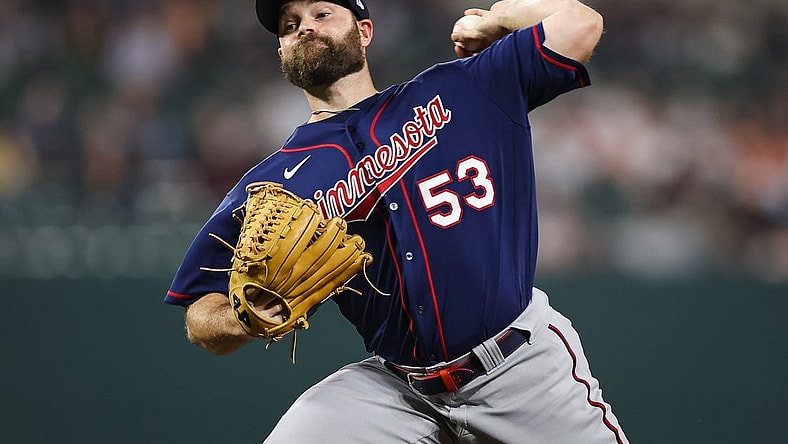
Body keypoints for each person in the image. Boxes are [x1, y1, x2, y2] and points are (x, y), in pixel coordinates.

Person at [165, 0, 629, 442]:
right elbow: (198, 316)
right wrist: (243, 319)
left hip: (519, 366)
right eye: (289, 25)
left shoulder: (462, 88)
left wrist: (499, 18)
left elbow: (580, 23)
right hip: (398, 390)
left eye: (323, 13)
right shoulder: (270, 184)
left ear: (363, 32)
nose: (305, 25)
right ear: (282, 52)